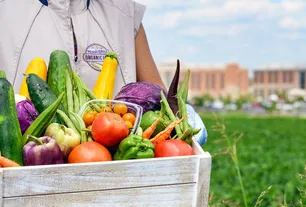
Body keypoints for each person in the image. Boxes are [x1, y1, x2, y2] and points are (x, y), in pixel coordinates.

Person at [0, 0, 207, 145]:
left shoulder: (125, 16)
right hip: (27, 178)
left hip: (121, 171)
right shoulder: (5, 13)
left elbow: (159, 97)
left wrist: (183, 118)